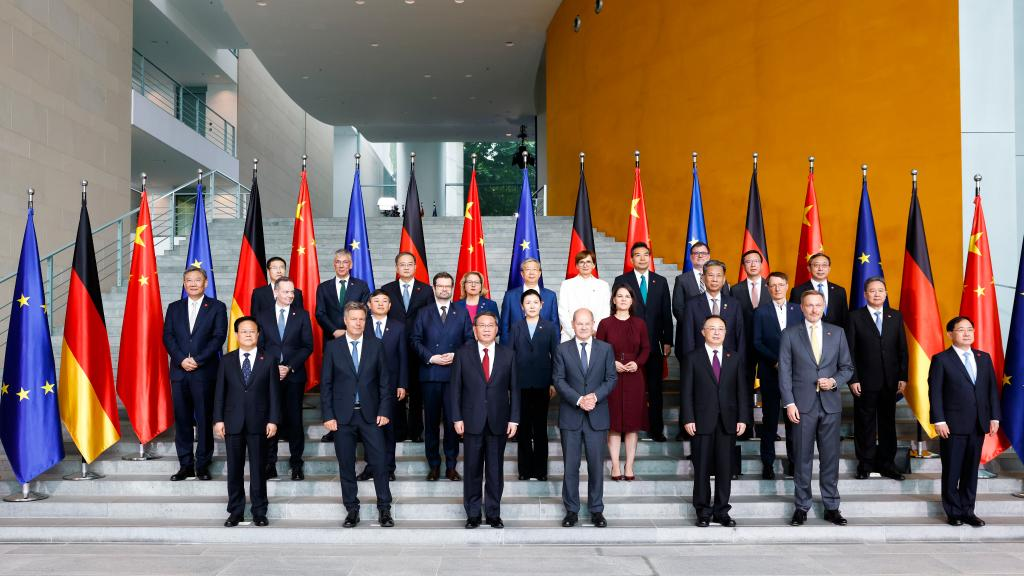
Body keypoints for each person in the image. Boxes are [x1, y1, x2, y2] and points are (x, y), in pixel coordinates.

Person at [779, 290, 854, 526]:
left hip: (830, 406)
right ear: (801, 307)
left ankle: (832, 506)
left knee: (830, 458)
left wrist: (834, 382)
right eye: (809, 305)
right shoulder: (790, 334)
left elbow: (847, 368)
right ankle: (802, 506)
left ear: (823, 307)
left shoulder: (838, 333)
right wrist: (789, 403)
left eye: (818, 305)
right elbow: (785, 373)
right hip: (802, 406)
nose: (814, 309)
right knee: (802, 459)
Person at [321, 302, 395, 528]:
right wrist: (328, 415)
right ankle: (352, 509)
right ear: (345, 320)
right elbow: (326, 384)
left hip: (371, 416)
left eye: (362, 319)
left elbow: (385, 382)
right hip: (342, 418)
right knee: (346, 464)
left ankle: (384, 509)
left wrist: (384, 410)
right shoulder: (333, 347)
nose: (358, 323)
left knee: (380, 464)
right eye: (353, 319)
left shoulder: (376, 345)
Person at [449, 311, 520, 529]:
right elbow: (455, 390)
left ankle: (492, 513)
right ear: (475, 329)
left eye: (491, 325)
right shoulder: (463, 353)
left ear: (497, 330)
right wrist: (456, 417)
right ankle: (472, 514)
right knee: (471, 469)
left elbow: (515, 390)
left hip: (499, 420)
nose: (487, 329)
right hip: (471, 420)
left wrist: (514, 419)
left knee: (495, 471)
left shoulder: (508, 354)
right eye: (482, 325)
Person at [929, 316, 1000, 527]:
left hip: (978, 424)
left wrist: (994, 416)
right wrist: (939, 420)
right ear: (950, 334)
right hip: (952, 425)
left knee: (971, 471)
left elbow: (991, 390)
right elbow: (935, 393)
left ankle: (968, 510)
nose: (967, 333)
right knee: (952, 470)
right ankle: (953, 511)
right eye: (961, 330)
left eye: (970, 329)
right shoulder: (942, 359)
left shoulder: (983, 358)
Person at [681, 315, 751, 527]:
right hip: (701, 421)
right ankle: (703, 511)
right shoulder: (692, 357)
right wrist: (688, 418)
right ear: (703, 332)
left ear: (725, 332)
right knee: (701, 469)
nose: (716, 332)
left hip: (728, 421)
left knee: (724, 469)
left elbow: (742, 390)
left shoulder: (735, 357)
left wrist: (743, 418)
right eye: (712, 328)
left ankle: (722, 511)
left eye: (720, 328)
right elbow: (686, 392)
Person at [553, 308, 618, 528]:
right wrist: (580, 399)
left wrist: (595, 397)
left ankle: (596, 510)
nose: (583, 327)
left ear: (593, 325)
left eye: (587, 323)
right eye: (579, 323)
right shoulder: (562, 350)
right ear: (572, 324)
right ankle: (571, 510)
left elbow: (611, 378)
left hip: (597, 416)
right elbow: (559, 380)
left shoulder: (606, 349)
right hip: (571, 415)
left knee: (595, 467)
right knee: (571, 467)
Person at [213, 316, 280, 527]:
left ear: (258, 334)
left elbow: (274, 394)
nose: (248, 335)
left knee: (259, 469)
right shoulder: (226, 360)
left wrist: (273, 420)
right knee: (234, 469)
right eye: (244, 331)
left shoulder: (268, 359)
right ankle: (236, 511)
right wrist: (218, 420)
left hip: (259, 422)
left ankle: (259, 511)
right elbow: (219, 393)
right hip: (232, 422)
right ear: (236, 335)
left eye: (252, 331)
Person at [163, 267, 227, 482]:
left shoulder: (217, 307)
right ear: (183, 283)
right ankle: (185, 465)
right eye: (188, 280)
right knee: (182, 421)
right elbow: (168, 337)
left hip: (204, 372)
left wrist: (198, 360)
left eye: (197, 280)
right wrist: (182, 359)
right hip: (179, 373)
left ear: (205, 283)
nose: (192, 284)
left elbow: (218, 338)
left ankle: (202, 465)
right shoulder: (174, 308)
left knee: (204, 419)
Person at [411, 272, 474, 481]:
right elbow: (415, 340)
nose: (444, 289)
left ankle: (451, 465)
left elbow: (469, 340)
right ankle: (434, 466)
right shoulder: (423, 312)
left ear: (453, 288)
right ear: (435, 287)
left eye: (448, 286)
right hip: (430, 374)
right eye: (441, 286)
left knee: (452, 422)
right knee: (430, 424)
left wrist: (457, 355)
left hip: (454, 376)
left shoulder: (462, 312)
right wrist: (431, 358)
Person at [846, 277, 908, 480]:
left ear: (886, 293)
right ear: (865, 294)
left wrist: (903, 376)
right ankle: (865, 464)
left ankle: (887, 464)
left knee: (888, 423)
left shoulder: (895, 316)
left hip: (891, 381)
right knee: (865, 423)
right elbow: (850, 351)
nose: (877, 294)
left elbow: (902, 349)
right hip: (864, 381)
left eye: (880, 290)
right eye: (872, 291)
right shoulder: (855, 317)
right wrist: (853, 378)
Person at [614, 242, 673, 442]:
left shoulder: (660, 281)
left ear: (650, 258)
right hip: (629, 346)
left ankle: (655, 429)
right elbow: (616, 312)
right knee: (627, 389)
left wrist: (667, 340)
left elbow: (666, 312)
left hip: (654, 345)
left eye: (645, 255)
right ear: (631, 259)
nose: (642, 258)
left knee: (655, 389)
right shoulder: (622, 280)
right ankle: (623, 428)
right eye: (637, 255)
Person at [256, 276, 313, 481]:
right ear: (276, 292)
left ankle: (296, 463)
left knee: (295, 420)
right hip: (269, 376)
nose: (290, 295)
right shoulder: (262, 315)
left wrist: (288, 367)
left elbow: (307, 346)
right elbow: (258, 346)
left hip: (294, 376)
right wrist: (273, 368)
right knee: (271, 418)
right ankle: (270, 463)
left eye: (292, 292)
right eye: (286, 292)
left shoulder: (302, 315)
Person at [316, 249, 372, 443]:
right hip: (333, 341)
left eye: (345, 262)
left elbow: (365, 311)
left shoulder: (362, 286)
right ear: (334, 264)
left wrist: (349, 331)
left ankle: (358, 426)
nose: (341, 265)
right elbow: (320, 313)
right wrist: (335, 331)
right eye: (337, 262)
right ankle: (334, 426)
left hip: (356, 339)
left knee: (355, 379)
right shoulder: (324, 287)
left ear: (351, 265)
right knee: (334, 382)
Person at [596, 283, 650, 481]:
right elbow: (598, 350)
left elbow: (646, 348)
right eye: (620, 296)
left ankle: (629, 465)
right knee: (615, 423)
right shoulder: (605, 323)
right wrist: (612, 364)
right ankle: (616, 465)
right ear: (614, 300)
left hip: (635, 377)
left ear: (632, 300)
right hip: (612, 378)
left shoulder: (640, 323)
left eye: (627, 296)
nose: (623, 299)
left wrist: (637, 363)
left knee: (632, 424)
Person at [753, 271, 803, 479]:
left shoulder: (799, 310)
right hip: (770, 372)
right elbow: (756, 342)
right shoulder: (760, 312)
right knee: (769, 420)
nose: (777, 288)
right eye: (772, 285)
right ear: (767, 288)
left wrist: (791, 363)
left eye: (780, 285)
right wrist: (776, 361)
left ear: (787, 286)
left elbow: (805, 339)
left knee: (794, 421)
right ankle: (768, 463)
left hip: (796, 375)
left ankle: (794, 463)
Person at [381, 252, 433, 443]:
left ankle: (416, 430)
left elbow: (430, 319)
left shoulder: (426, 290)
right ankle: (399, 430)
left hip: (418, 348)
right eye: (402, 265)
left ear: (415, 267)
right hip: (393, 349)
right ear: (396, 268)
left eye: (409, 264)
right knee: (397, 391)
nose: (406, 268)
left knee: (417, 392)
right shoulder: (387, 289)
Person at [356, 290, 408, 482]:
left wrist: (402, 383)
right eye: (376, 301)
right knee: (370, 429)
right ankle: (371, 467)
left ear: (390, 306)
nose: (380, 304)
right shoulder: (362, 325)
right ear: (369, 304)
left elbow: (403, 357)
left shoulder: (398, 327)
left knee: (388, 429)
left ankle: (389, 467)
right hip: (367, 386)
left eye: (384, 301)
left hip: (391, 386)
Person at [508, 289, 559, 480]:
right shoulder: (516, 327)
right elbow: (510, 357)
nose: (531, 305)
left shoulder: (550, 327)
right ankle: (524, 470)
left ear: (541, 305)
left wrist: (553, 382)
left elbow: (556, 356)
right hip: (520, 385)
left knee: (540, 429)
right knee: (523, 429)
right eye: (527, 303)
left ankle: (540, 470)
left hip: (542, 384)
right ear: (522, 307)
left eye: (535, 302)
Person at [730, 250, 770, 430]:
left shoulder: (772, 286)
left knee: (769, 387)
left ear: (761, 265)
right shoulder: (735, 289)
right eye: (748, 261)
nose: (753, 264)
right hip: (743, 344)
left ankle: (769, 428)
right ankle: (745, 424)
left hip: (767, 346)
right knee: (743, 386)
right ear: (743, 266)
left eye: (756, 261)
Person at [500, 258, 560, 342]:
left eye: (535, 269)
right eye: (528, 269)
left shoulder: (550, 296)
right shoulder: (510, 296)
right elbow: (504, 325)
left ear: (539, 273)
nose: (531, 273)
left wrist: (555, 350)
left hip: (543, 346)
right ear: (522, 274)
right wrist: (506, 351)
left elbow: (555, 325)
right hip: (516, 347)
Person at [558, 250, 611, 342]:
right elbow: (562, 311)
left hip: (595, 335)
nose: (585, 265)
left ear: (594, 265)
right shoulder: (566, 285)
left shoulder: (603, 285)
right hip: (570, 335)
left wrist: (595, 331)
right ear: (577, 266)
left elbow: (605, 311)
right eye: (581, 262)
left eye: (588, 262)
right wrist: (573, 332)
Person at [789, 252, 849, 329]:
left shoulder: (839, 291)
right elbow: (794, 318)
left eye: (824, 265)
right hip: (807, 335)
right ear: (809, 268)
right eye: (816, 265)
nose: (820, 269)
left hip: (834, 337)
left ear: (829, 269)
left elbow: (845, 319)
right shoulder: (797, 291)